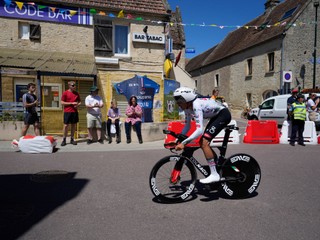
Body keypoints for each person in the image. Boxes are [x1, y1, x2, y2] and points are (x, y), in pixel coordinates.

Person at [173, 87, 231, 184]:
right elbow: (187, 126)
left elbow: (199, 130)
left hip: (223, 115)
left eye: (179, 101)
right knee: (203, 142)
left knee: (204, 142)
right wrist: (177, 140)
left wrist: (184, 143)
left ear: (186, 99)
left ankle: (214, 174)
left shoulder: (196, 105)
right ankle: (216, 164)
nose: (177, 104)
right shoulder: (187, 108)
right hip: (215, 116)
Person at [60, 81, 81, 146]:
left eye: (75, 85)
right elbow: (62, 102)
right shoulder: (65, 93)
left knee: (73, 125)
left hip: (74, 111)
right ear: (69, 86)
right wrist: (71, 103)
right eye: (72, 85)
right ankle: (64, 139)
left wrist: (77, 105)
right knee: (66, 125)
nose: (74, 86)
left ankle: (72, 138)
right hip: (67, 111)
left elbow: (80, 101)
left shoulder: (76, 93)